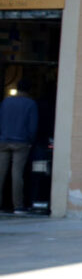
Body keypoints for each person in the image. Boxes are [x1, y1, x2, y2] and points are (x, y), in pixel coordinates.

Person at [0, 78, 39, 214]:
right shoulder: (30, 104)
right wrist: (30, 141)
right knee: (17, 174)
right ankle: (18, 205)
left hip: (4, 140)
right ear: (29, 90)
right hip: (21, 142)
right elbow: (32, 126)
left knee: (1, 173)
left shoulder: (6, 101)